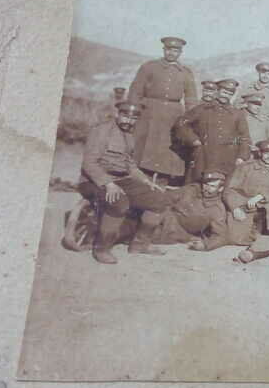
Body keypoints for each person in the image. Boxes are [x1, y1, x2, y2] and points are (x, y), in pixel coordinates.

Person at [78, 101, 174, 264]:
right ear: (117, 114)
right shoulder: (101, 131)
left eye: (133, 118)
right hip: (94, 181)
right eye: (125, 116)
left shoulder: (129, 135)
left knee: (159, 199)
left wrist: (146, 181)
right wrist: (108, 183)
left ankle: (140, 244)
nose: (128, 121)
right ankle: (102, 249)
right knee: (118, 202)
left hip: (121, 180)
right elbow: (89, 163)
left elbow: (130, 165)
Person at [127, 36, 198, 182]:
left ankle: (161, 182)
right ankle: (136, 179)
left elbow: (191, 98)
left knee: (166, 149)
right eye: (169, 49)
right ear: (164, 50)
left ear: (180, 53)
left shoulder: (185, 72)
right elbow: (136, 90)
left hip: (172, 115)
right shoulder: (149, 67)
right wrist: (132, 112)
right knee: (143, 146)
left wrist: (191, 120)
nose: (172, 53)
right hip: (149, 112)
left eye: (176, 50)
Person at [174, 78, 251, 183]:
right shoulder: (202, 109)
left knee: (221, 187)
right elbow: (181, 123)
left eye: (229, 94)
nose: (225, 96)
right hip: (203, 156)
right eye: (224, 92)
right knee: (196, 185)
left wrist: (242, 157)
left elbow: (244, 137)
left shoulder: (237, 114)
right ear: (217, 91)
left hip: (227, 158)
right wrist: (193, 140)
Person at [154, 171, 254, 251]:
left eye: (212, 186)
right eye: (205, 184)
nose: (206, 188)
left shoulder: (217, 209)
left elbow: (221, 236)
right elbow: (165, 199)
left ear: (220, 189)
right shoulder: (191, 190)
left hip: (174, 231)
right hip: (160, 217)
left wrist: (206, 245)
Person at [223, 139, 269, 238]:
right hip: (245, 205)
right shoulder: (246, 167)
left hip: (268, 207)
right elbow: (229, 190)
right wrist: (234, 208)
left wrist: (261, 196)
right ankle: (253, 232)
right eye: (266, 153)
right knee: (236, 238)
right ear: (260, 153)